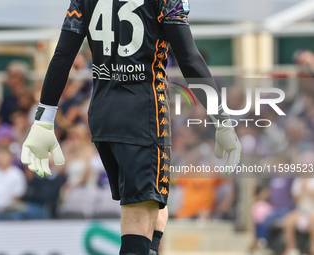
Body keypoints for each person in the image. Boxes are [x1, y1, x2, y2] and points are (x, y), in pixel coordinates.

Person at [21, 1, 241, 254]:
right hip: (143, 115)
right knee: (138, 215)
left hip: (103, 114)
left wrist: (43, 120)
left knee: (153, 203)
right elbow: (189, 58)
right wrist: (221, 120)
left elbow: (63, 54)